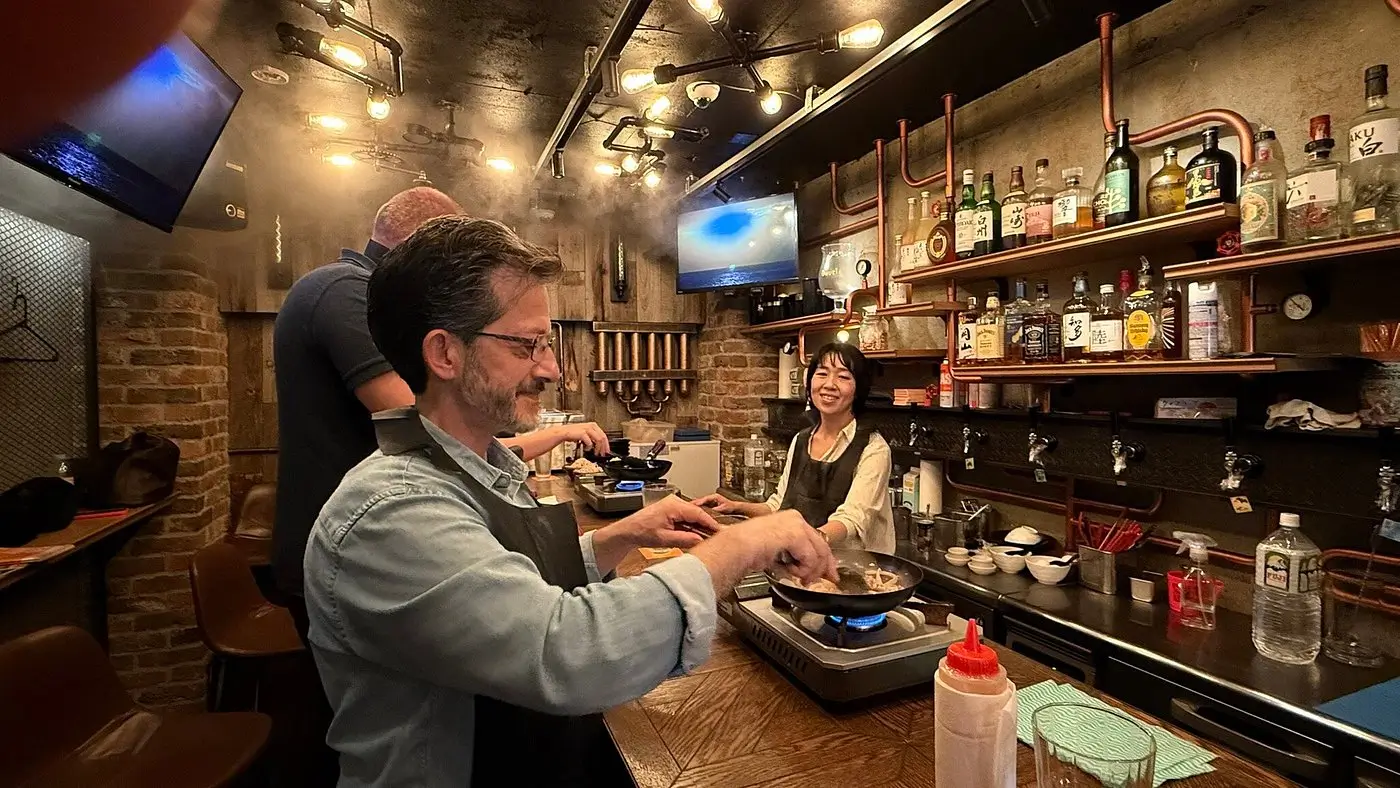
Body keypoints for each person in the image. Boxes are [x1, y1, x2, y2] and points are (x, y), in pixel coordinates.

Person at [303, 216, 836, 786]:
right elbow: (563, 653)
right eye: (527, 345)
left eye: (547, 344)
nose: (551, 369)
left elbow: (510, 588)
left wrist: (619, 537)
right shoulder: (392, 511)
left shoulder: (476, 468)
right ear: (444, 354)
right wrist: (740, 545)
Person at [695, 343, 895, 553]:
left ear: (858, 389)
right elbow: (779, 505)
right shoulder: (801, 439)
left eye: (843, 377)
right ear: (809, 383)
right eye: (822, 374)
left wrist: (808, 541)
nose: (829, 384)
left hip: (854, 570)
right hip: (804, 563)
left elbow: (853, 518)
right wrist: (735, 507)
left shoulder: (873, 449)